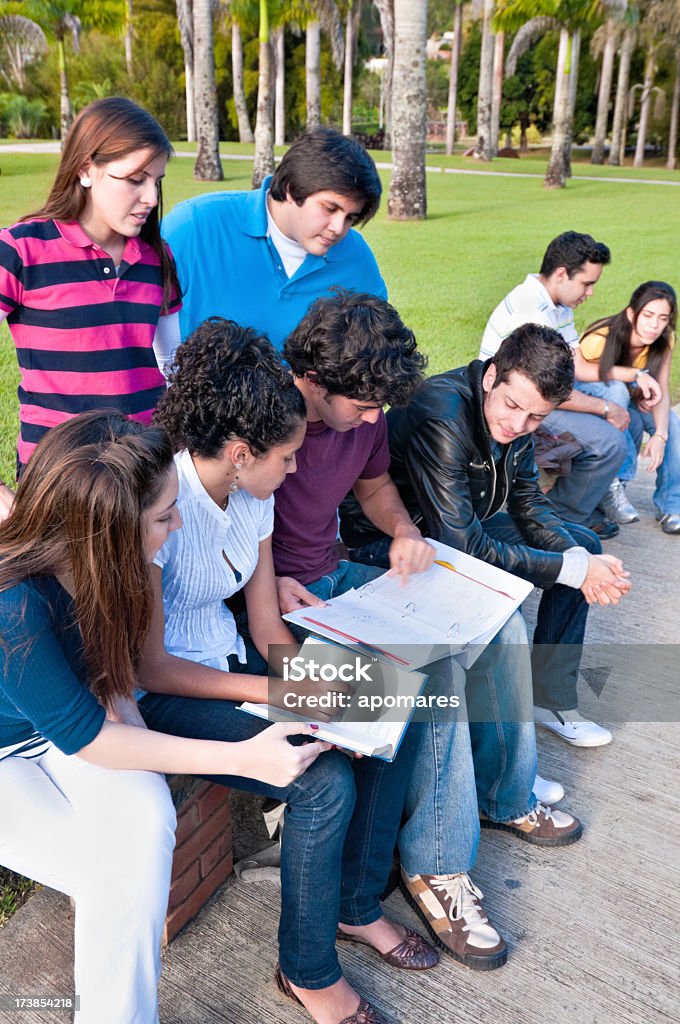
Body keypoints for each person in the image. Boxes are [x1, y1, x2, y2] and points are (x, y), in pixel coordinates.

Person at [265, 292, 583, 971]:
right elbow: (229, 532)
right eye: (364, 406)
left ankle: (505, 797)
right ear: (314, 382)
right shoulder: (270, 421)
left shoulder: (368, 411)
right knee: (431, 675)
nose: (377, 417)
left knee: (497, 621)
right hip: (288, 603)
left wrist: (407, 530)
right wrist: (266, 591)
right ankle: (438, 869)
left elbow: (377, 487)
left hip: (339, 575)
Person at [140, 317, 437, 1024]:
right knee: (323, 782)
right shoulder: (157, 505)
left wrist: (324, 691)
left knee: (394, 707)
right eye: (288, 458)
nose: (298, 470)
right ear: (241, 453)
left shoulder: (255, 497)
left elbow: (268, 625)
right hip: (167, 689)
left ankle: (357, 907)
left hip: (235, 657)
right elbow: (149, 666)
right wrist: (278, 693)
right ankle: (305, 970)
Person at [0, 410, 329, 1024]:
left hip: (75, 725)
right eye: (162, 517)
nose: (177, 526)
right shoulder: (14, 605)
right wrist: (241, 755)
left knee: (148, 816)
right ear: (107, 532)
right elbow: (90, 738)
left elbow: (113, 682)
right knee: (114, 874)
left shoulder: (106, 565)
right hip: (16, 751)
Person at [341, 324, 632, 748]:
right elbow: (461, 549)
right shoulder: (443, 412)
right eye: (513, 406)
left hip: (454, 524)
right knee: (533, 593)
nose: (519, 424)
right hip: (393, 540)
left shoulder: (518, 418)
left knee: (584, 546)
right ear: (492, 376)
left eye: (536, 417)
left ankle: (550, 699)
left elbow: (529, 500)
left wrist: (579, 561)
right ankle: (499, 750)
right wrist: (571, 570)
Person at [0, 97, 182, 486]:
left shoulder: (158, 258)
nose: (151, 198)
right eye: (135, 180)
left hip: (144, 470)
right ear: (86, 169)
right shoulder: (20, 250)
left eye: (156, 181)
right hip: (59, 477)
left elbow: (172, 364)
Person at [160, 126, 386, 361]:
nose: (339, 228)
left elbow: (377, 358)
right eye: (330, 208)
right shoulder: (194, 225)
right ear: (292, 189)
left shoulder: (356, 257)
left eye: (351, 217)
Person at [479, 231, 632, 538]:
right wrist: (604, 409)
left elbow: (576, 364)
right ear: (562, 274)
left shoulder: (558, 305)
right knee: (609, 442)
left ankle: (602, 487)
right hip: (523, 400)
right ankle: (566, 516)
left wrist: (633, 378)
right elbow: (543, 393)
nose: (590, 293)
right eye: (587, 283)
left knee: (623, 396)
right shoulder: (530, 310)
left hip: (550, 389)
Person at [575, 281, 679, 534]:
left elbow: (662, 390)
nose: (654, 325)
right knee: (617, 392)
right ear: (632, 313)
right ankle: (615, 485)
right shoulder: (600, 337)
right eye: (648, 315)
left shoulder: (664, 340)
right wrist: (634, 375)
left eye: (663, 318)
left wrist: (660, 436)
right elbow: (579, 370)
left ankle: (671, 505)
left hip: (627, 398)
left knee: (672, 425)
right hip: (589, 394)